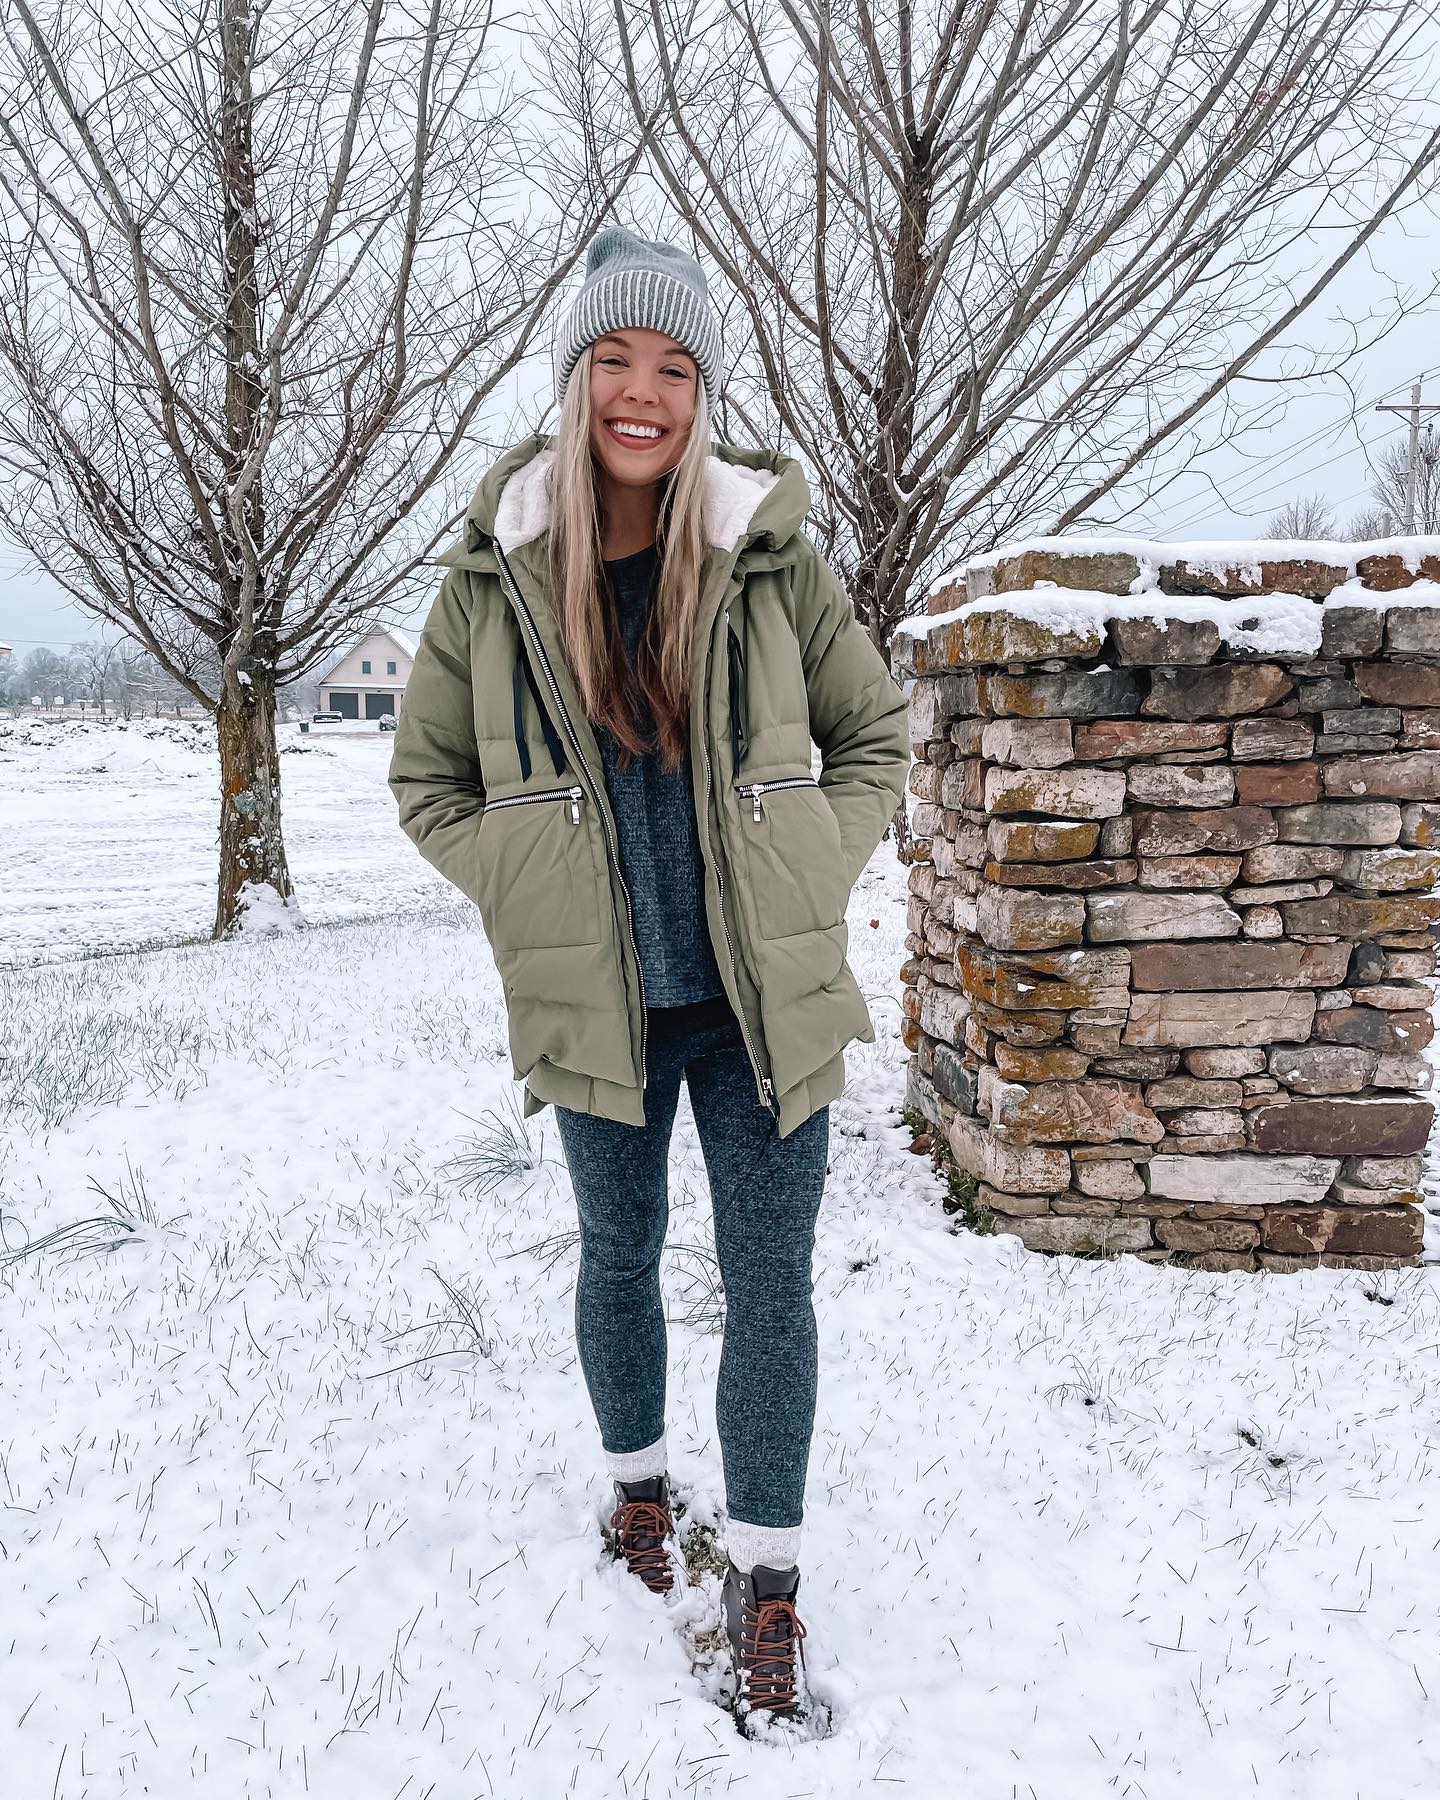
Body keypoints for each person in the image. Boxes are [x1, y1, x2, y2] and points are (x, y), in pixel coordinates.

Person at [388, 225, 910, 1727]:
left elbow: (872, 734)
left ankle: (769, 1583)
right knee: (615, 1262)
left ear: (700, 389)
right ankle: (634, 1492)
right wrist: (528, 882)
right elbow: (428, 782)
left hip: (762, 1011)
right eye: (617, 360)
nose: (644, 392)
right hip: (598, 1011)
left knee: (772, 1288)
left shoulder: (768, 553)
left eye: (673, 366)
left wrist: (817, 860)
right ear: (576, 381)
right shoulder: (497, 575)